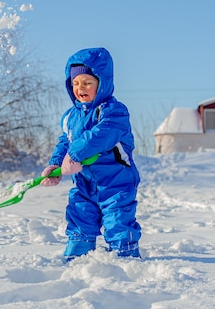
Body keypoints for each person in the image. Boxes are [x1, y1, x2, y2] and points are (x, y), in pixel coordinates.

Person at [41, 47, 141, 260]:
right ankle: (77, 257)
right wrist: (55, 165)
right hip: (84, 182)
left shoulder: (114, 111)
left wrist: (75, 155)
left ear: (101, 83)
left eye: (87, 82)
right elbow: (64, 142)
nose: (80, 88)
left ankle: (127, 258)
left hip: (116, 182)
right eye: (75, 83)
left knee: (118, 220)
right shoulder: (70, 116)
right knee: (79, 215)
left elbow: (101, 135)